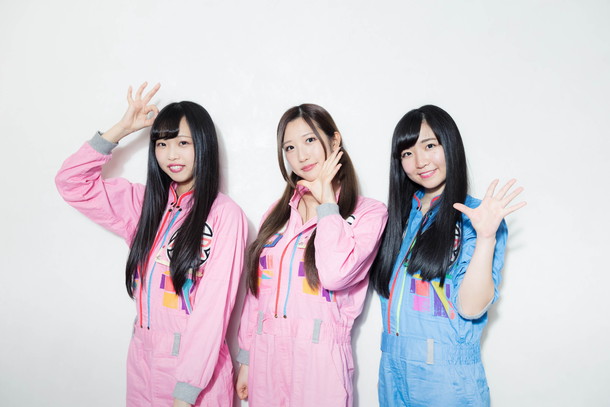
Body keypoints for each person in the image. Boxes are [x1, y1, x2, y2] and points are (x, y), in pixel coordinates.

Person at [55, 83, 247, 407]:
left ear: (203, 145)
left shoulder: (224, 215)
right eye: (162, 143)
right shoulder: (144, 206)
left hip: (195, 375)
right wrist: (122, 129)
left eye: (183, 143)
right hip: (142, 364)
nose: (171, 155)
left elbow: (213, 312)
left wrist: (186, 391)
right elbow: (71, 183)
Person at [370, 105, 526, 406]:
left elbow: (471, 307)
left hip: (447, 381)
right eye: (407, 153)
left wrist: (486, 237)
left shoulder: (475, 217)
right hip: (392, 374)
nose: (420, 161)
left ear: (450, 145)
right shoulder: (398, 219)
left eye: (430, 146)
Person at [234, 104, 387, 407]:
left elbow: (334, 274)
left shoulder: (368, 213)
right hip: (266, 358)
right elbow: (256, 292)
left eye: (309, 140)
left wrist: (327, 201)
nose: (301, 156)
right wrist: (247, 358)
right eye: (289, 147)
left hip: (320, 359)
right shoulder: (277, 215)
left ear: (334, 140)